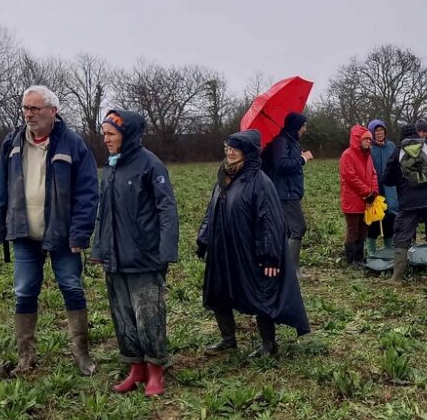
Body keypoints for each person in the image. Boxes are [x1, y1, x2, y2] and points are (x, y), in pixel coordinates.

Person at [0, 85, 99, 376]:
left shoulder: (73, 144)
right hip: (24, 233)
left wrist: (80, 233)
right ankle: (26, 358)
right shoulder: (12, 142)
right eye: (25, 108)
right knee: (24, 292)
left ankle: (82, 354)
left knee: (72, 288)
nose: (29, 114)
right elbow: (1, 186)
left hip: (62, 234)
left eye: (35, 108)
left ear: (53, 111)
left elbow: (88, 193)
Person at [198, 130, 310, 358]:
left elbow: (269, 221)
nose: (230, 152)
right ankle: (228, 340)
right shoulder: (224, 177)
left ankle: (269, 344)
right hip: (222, 249)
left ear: (247, 152)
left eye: (235, 149)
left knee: (261, 293)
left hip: (248, 251)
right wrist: (204, 238)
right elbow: (212, 211)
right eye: (228, 148)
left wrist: (270, 255)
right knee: (218, 291)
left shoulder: (260, 182)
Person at [91, 110, 178, 396]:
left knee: (149, 317)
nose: (106, 139)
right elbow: (104, 212)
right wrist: (99, 248)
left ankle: (155, 370)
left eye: (111, 134)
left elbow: (167, 209)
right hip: (115, 258)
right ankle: (135, 368)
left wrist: (166, 250)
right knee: (123, 317)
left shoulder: (151, 164)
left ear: (127, 135)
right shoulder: (110, 167)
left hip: (144, 258)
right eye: (104, 134)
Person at [383, 123, 427, 282]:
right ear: (416, 133)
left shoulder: (398, 151)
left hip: (409, 201)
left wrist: (402, 181)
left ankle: (397, 277)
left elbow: (387, 178)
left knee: (402, 236)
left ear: (401, 137)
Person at [263, 112, 314, 280]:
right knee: (298, 227)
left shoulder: (290, 142)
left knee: (286, 230)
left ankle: (282, 268)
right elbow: (282, 165)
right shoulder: (281, 142)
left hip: (290, 191)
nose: (305, 129)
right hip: (284, 193)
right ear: (295, 126)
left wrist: (299, 155)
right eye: (303, 126)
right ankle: (293, 271)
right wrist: (303, 159)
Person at [339, 125, 379, 264]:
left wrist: (374, 191)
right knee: (353, 230)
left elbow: (373, 174)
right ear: (358, 140)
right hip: (352, 200)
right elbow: (351, 178)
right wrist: (368, 191)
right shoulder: (347, 155)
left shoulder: (368, 156)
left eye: (370, 139)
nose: (369, 141)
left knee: (363, 230)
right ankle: (351, 260)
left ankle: (359, 258)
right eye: (366, 139)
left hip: (365, 200)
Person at [366, 119, 398, 252]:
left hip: (389, 189)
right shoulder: (368, 148)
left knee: (389, 218)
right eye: (376, 131)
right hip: (373, 189)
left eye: (381, 130)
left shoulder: (391, 146)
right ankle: (371, 250)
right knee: (372, 219)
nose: (379, 133)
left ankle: (389, 248)